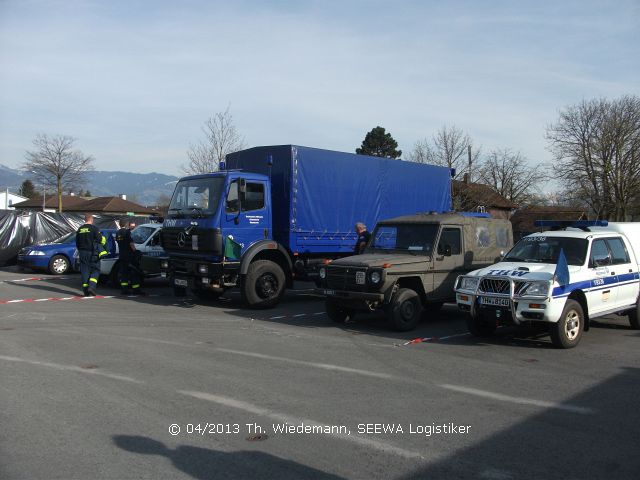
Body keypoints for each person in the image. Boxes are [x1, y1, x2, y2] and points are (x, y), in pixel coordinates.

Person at [75, 213, 106, 297]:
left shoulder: (80, 229)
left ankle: (85, 292)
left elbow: (77, 242)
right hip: (92, 253)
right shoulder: (94, 228)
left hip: (82, 252)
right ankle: (91, 287)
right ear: (91, 220)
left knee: (85, 271)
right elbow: (100, 240)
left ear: (85, 219)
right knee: (95, 270)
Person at [116, 219, 144, 295]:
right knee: (134, 273)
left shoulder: (118, 233)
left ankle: (124, 290)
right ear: (126, 224)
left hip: (121, 256)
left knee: (124, 274)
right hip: (129, 256)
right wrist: (135, 251)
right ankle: (136, 290)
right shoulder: (127, 232)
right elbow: (131, 243)